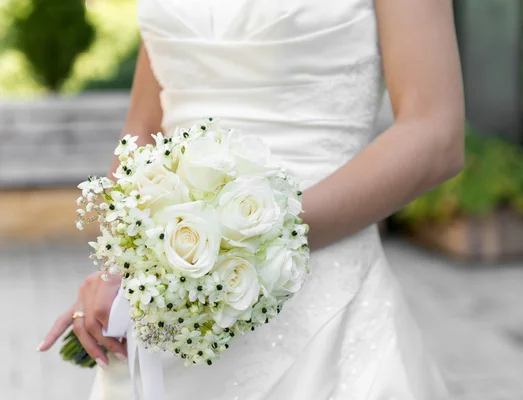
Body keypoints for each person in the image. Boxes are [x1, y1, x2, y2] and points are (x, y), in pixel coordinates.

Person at [39, 0, 464, 398]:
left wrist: (243, 240)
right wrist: (122, 267)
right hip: (170, 310)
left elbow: (435, 135)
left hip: (323, 298)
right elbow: (145, 125)